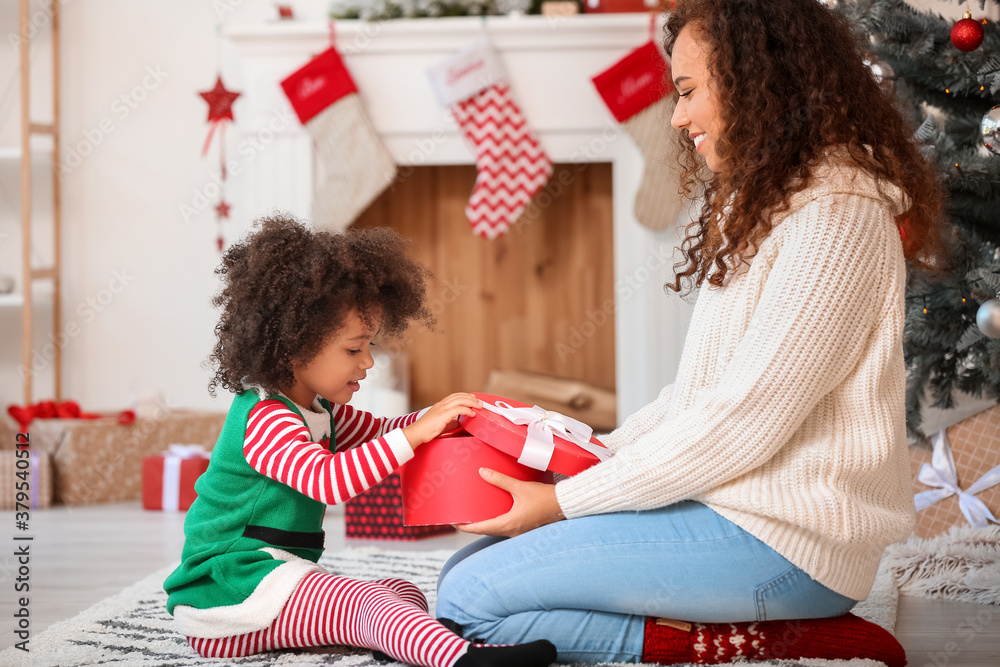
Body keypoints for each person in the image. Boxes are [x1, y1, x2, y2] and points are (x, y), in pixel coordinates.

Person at [435, 0, 950, 664]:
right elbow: (700, 397)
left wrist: (565, 502)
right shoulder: (765, 199)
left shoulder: (838, 217)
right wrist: (600, 455)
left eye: (687, 92)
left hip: (787, 542)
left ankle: (724, 642)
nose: (677, 118)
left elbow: (742, 421)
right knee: (460, 577)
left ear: (758, 80)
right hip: (726, 511)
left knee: (469, 603)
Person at [163, 215, 557, 667]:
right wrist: (417, 432)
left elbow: (382, 432)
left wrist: (438, 418)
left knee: (398, 591)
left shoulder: (317, 409)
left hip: (275, 579)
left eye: (369, 346)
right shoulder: (265, 419)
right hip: (228, 591)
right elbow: (330, 482)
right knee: (363, 604)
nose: (368, 362)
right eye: (354, 349)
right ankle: (463, 659)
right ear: (293, 347)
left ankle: (409, 637)